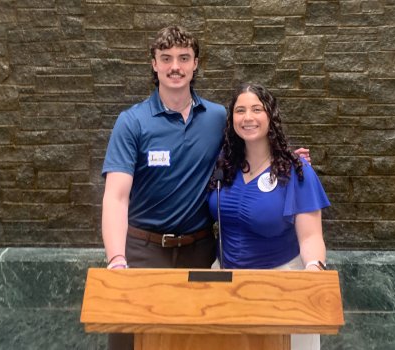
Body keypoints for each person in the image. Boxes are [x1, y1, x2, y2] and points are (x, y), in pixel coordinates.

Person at [100, 27, 310, 350]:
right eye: (166, 58)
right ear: (154, 64)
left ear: (195, 63)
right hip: (144, 252)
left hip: (201, 253)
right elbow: (116, 197)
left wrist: (286, 160)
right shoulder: (132, 122)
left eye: (184, 58)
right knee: (131, 338)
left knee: (198, 341)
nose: (175, 66)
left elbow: (250, 144)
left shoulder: (216, 117)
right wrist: (116, 259)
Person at [207, 83, 330, 349]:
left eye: (256, 109)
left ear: (270, 117)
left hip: (280, 283)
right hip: (227, 283)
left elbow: (311, 237)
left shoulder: (296, 171)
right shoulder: (223, 165)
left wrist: (313, 272)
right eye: (240, 111)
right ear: (231, 120)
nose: (247, 117)